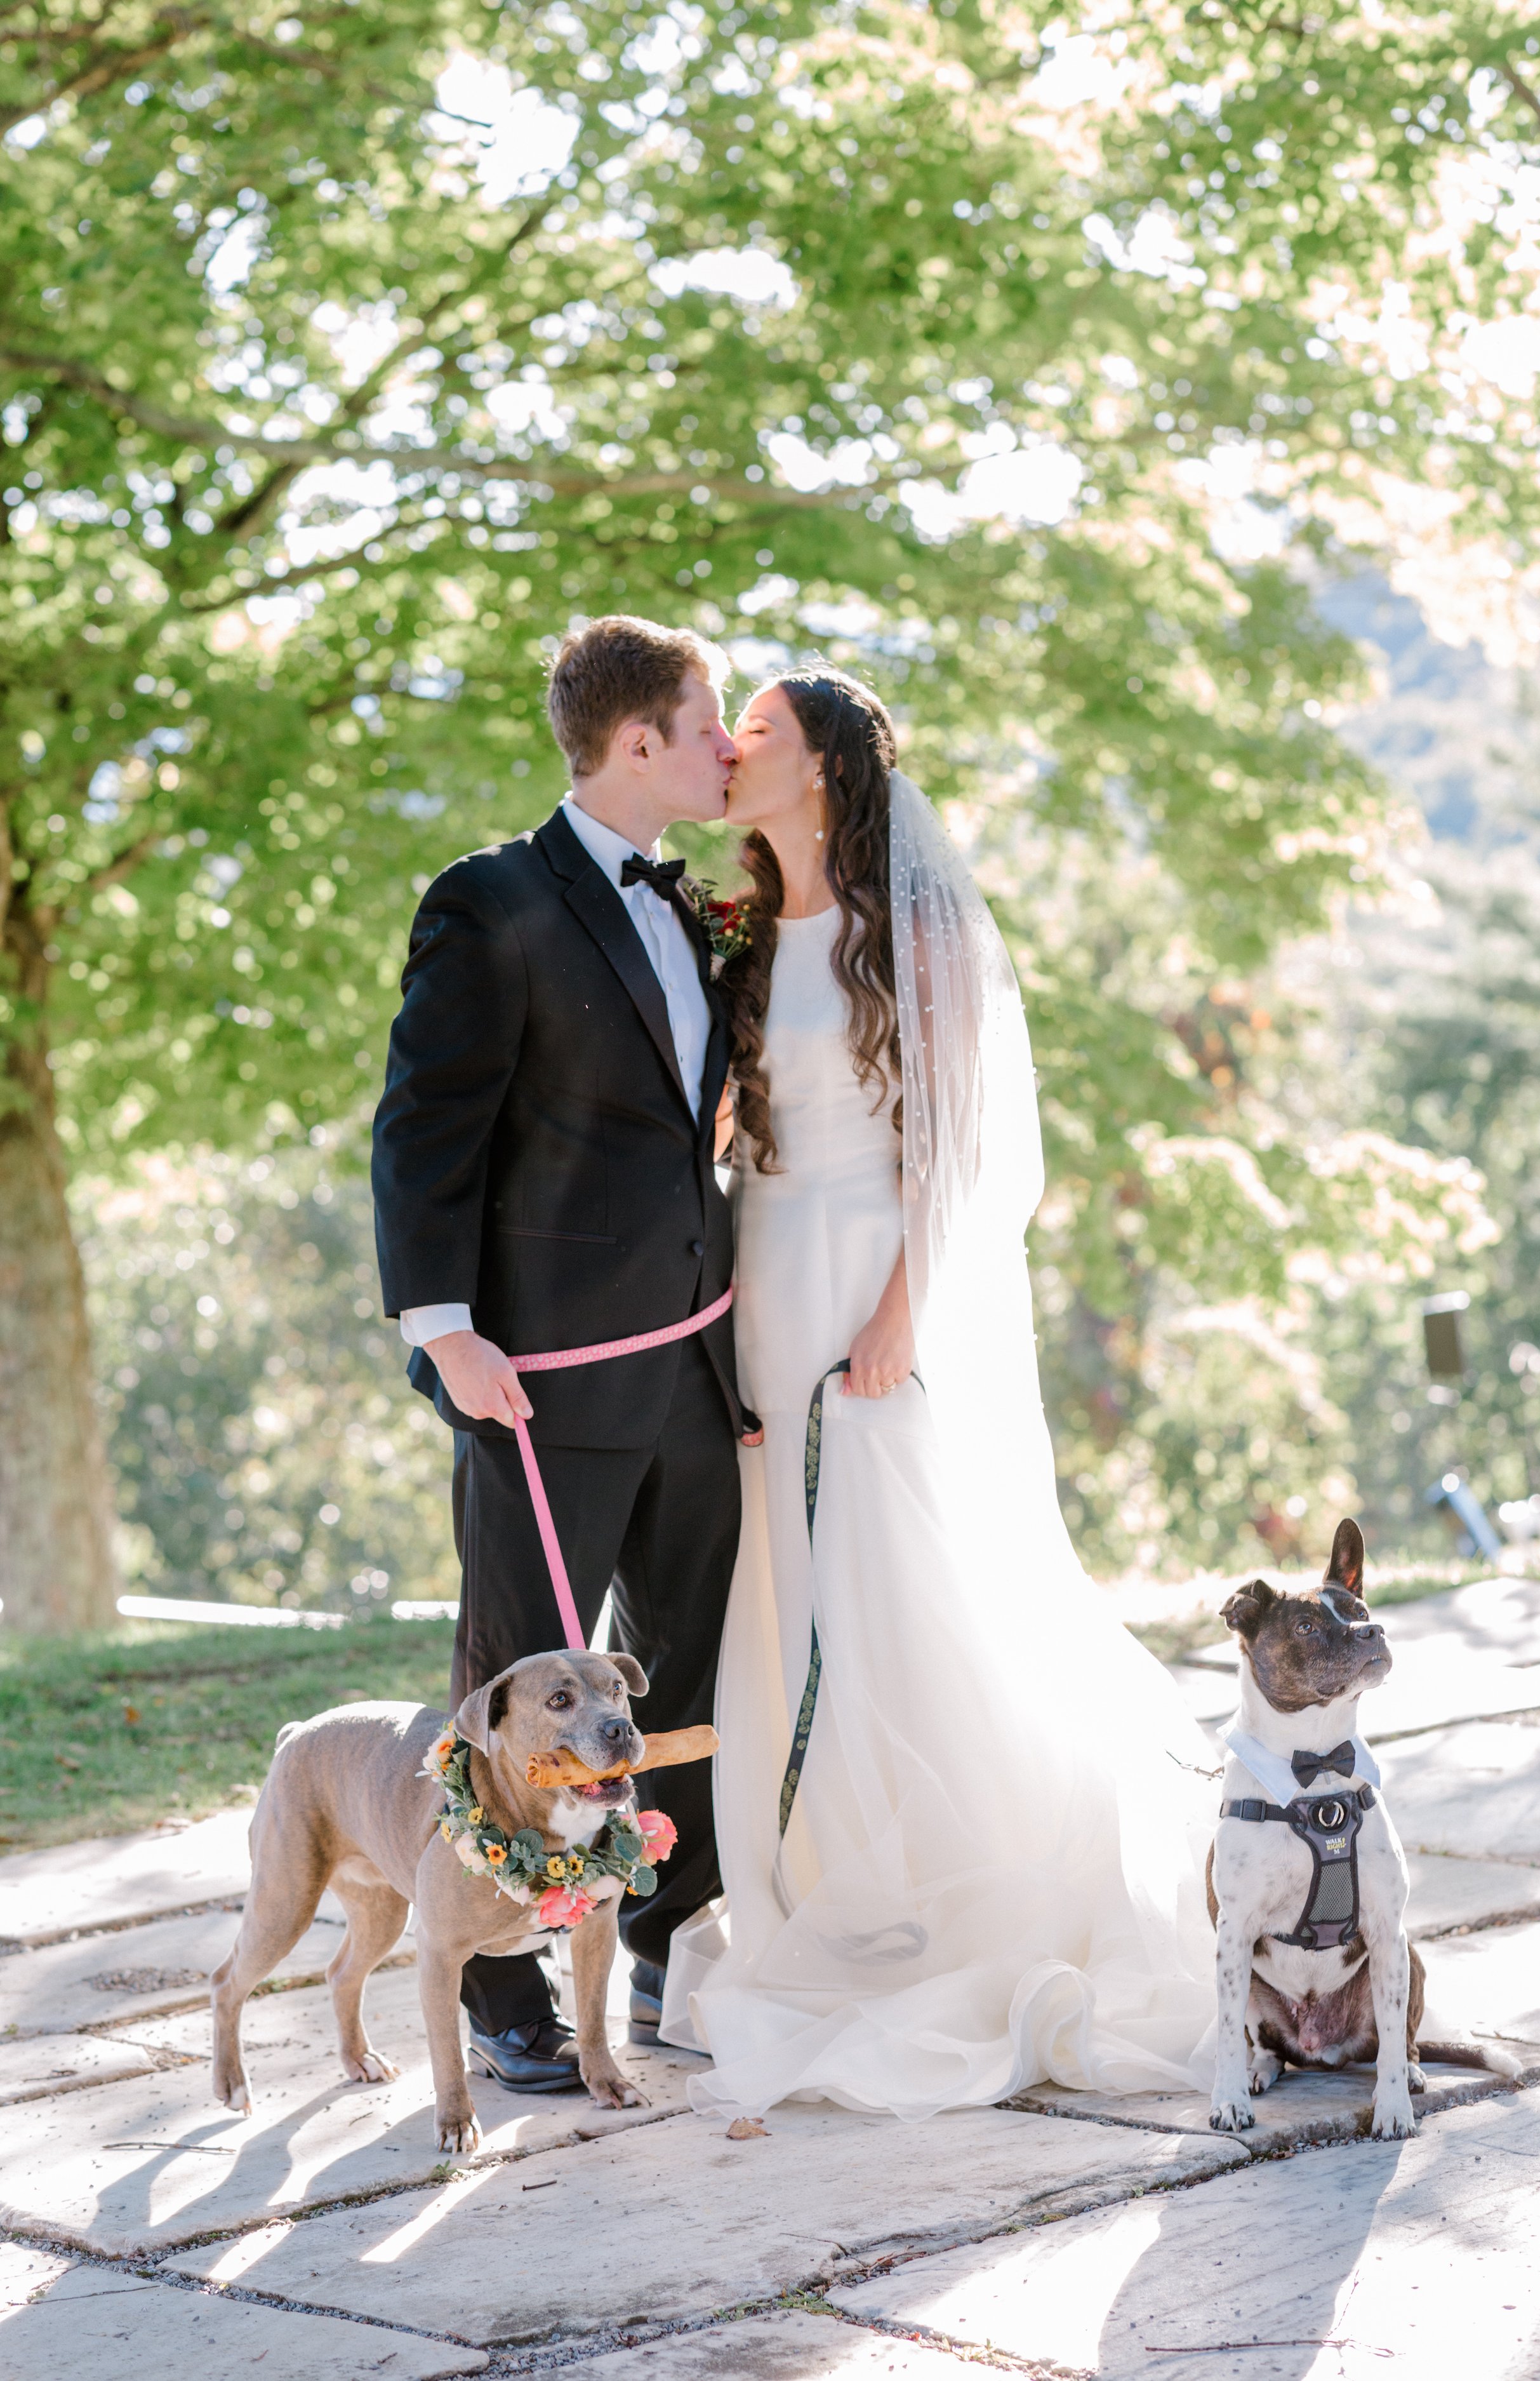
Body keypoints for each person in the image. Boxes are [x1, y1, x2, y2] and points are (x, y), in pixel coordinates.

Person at [661, 668, 1218, 2118]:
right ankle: (829, 1884)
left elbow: (967, 1150)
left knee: (904, 1583)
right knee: (790, 1579)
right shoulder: (735, 935)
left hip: (872, 1284)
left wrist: (904, 1309)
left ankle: (952, 1882)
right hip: (764, 1287)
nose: (729, 750)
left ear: (828, 767)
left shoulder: (911, 930)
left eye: (760, 734)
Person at [371, 616, 756, 2092]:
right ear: (638, 740)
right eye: (709, 720)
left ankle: (664, 1935)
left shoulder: (700, 909)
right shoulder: (492, 901)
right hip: (534, 1376)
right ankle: (499, 1984)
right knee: (514, 1678)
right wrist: (444, 1328)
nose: (725, 746)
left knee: (679, 1660)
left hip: (695, 1365)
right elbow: (426, 1127)